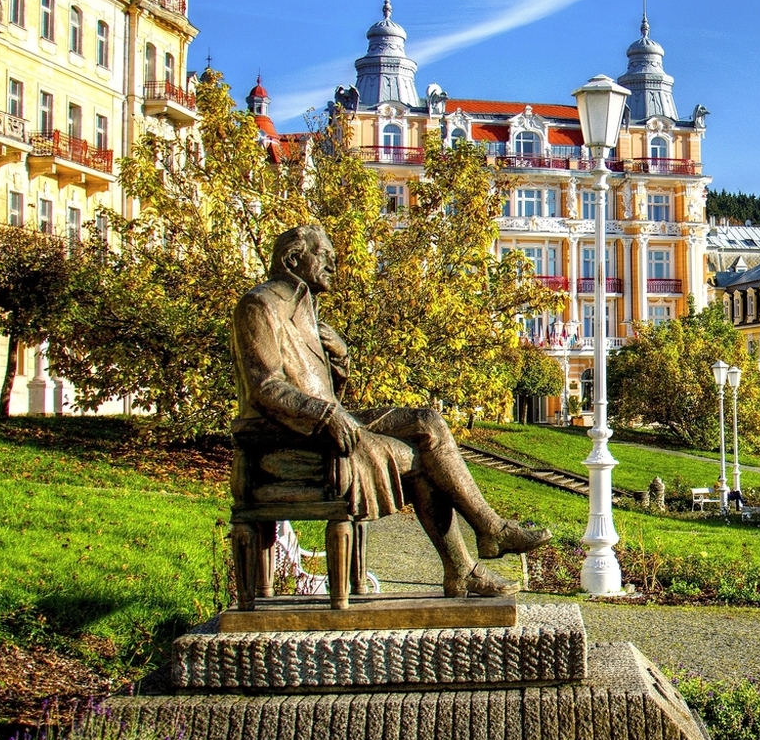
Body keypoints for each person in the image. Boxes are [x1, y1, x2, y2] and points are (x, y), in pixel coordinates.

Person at [232, 224, 543, 597]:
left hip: (328, 423)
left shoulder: (306, 312)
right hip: (296, 436)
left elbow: (325, 389)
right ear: (292, 259)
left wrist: (340, 359)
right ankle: (467, 563)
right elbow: (265, 387)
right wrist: (325, 415)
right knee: (422, 462)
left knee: (427, 422)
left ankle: (487, 532)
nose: (334, 263)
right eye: (323, 254)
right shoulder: (261, 306)